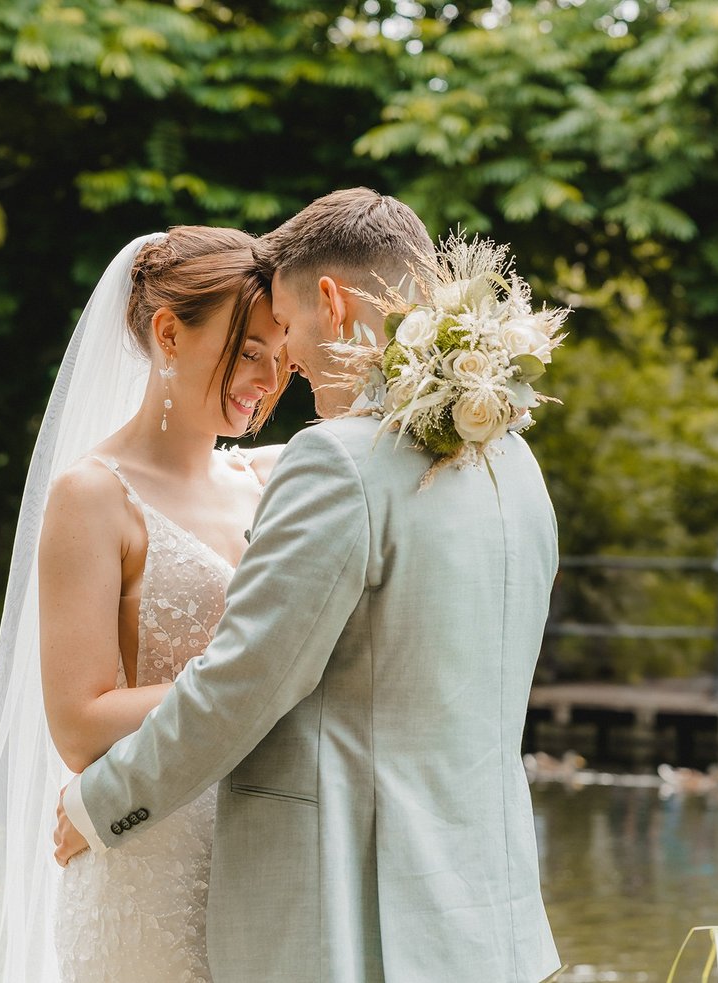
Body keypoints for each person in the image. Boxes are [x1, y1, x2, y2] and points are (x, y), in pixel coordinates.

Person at [53, 188, 564, 982]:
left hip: (349, 913)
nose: (284, 366)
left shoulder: (338, 461)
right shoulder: (511, 462)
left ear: (329, 301)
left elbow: (249, 679)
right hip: (484, 915)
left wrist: (101, 802)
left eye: (284, 329)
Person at [0, 226, 288, 983]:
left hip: (268, 856)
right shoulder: (94, 496)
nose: (268, 379)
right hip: (149, 866)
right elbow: (78, 724)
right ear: (169, 333)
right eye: (248, 350)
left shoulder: (274, 478)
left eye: (280, 354)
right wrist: (257, 680)